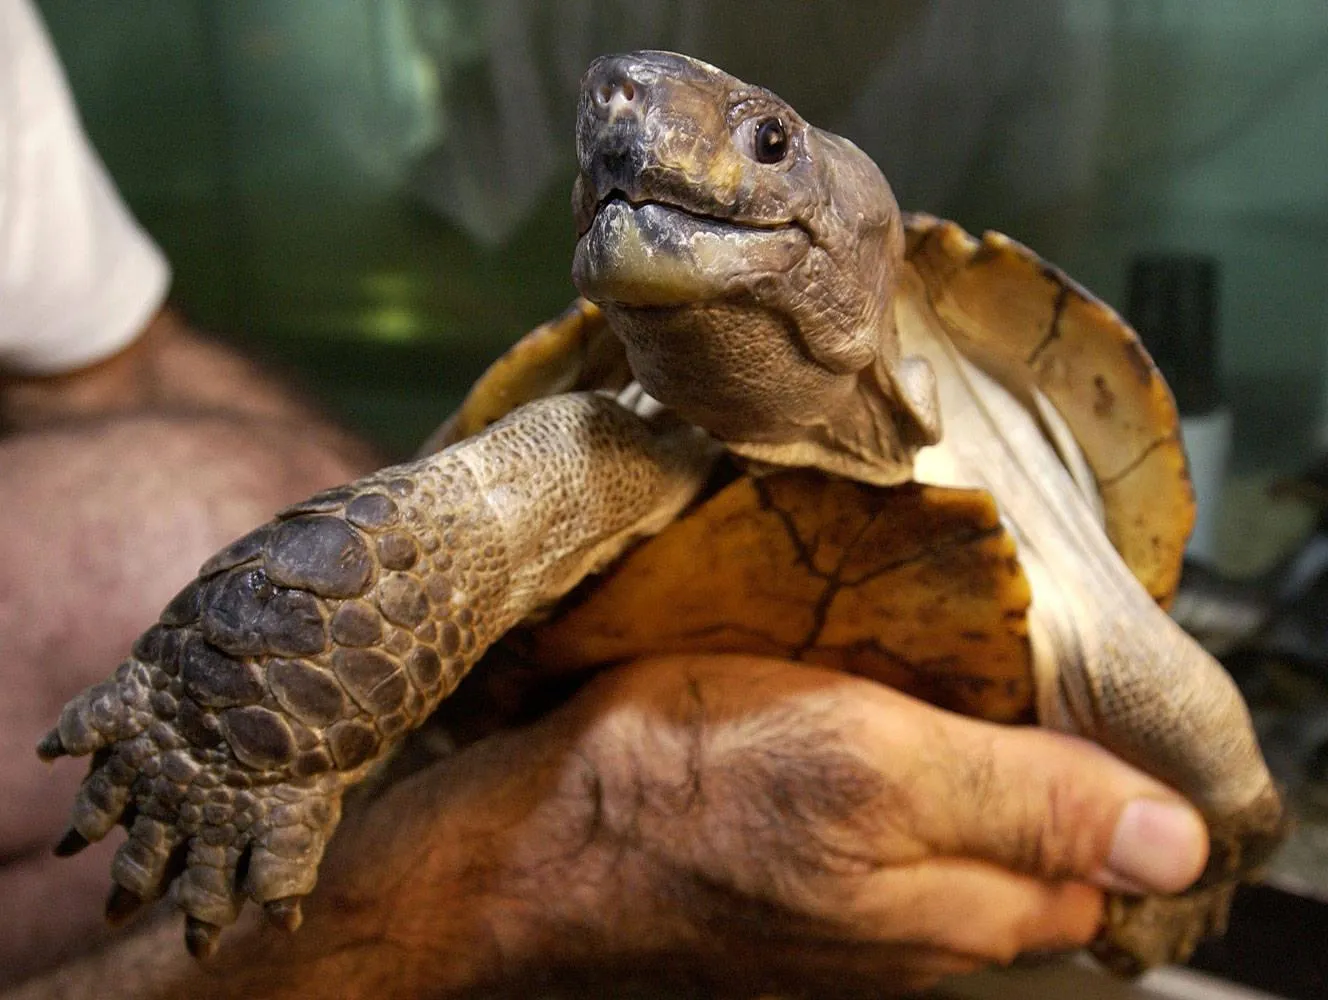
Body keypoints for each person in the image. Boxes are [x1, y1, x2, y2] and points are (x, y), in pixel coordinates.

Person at [0, 0, 1208, 995]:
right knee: (424, 542)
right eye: (607, 134)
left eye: (766, 144)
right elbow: (419, 527)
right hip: (606, 520)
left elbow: (1161, 690)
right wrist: (244, 731)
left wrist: (1218, 841)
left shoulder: (1005, 85)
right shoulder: (587, 453)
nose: (629, 136)